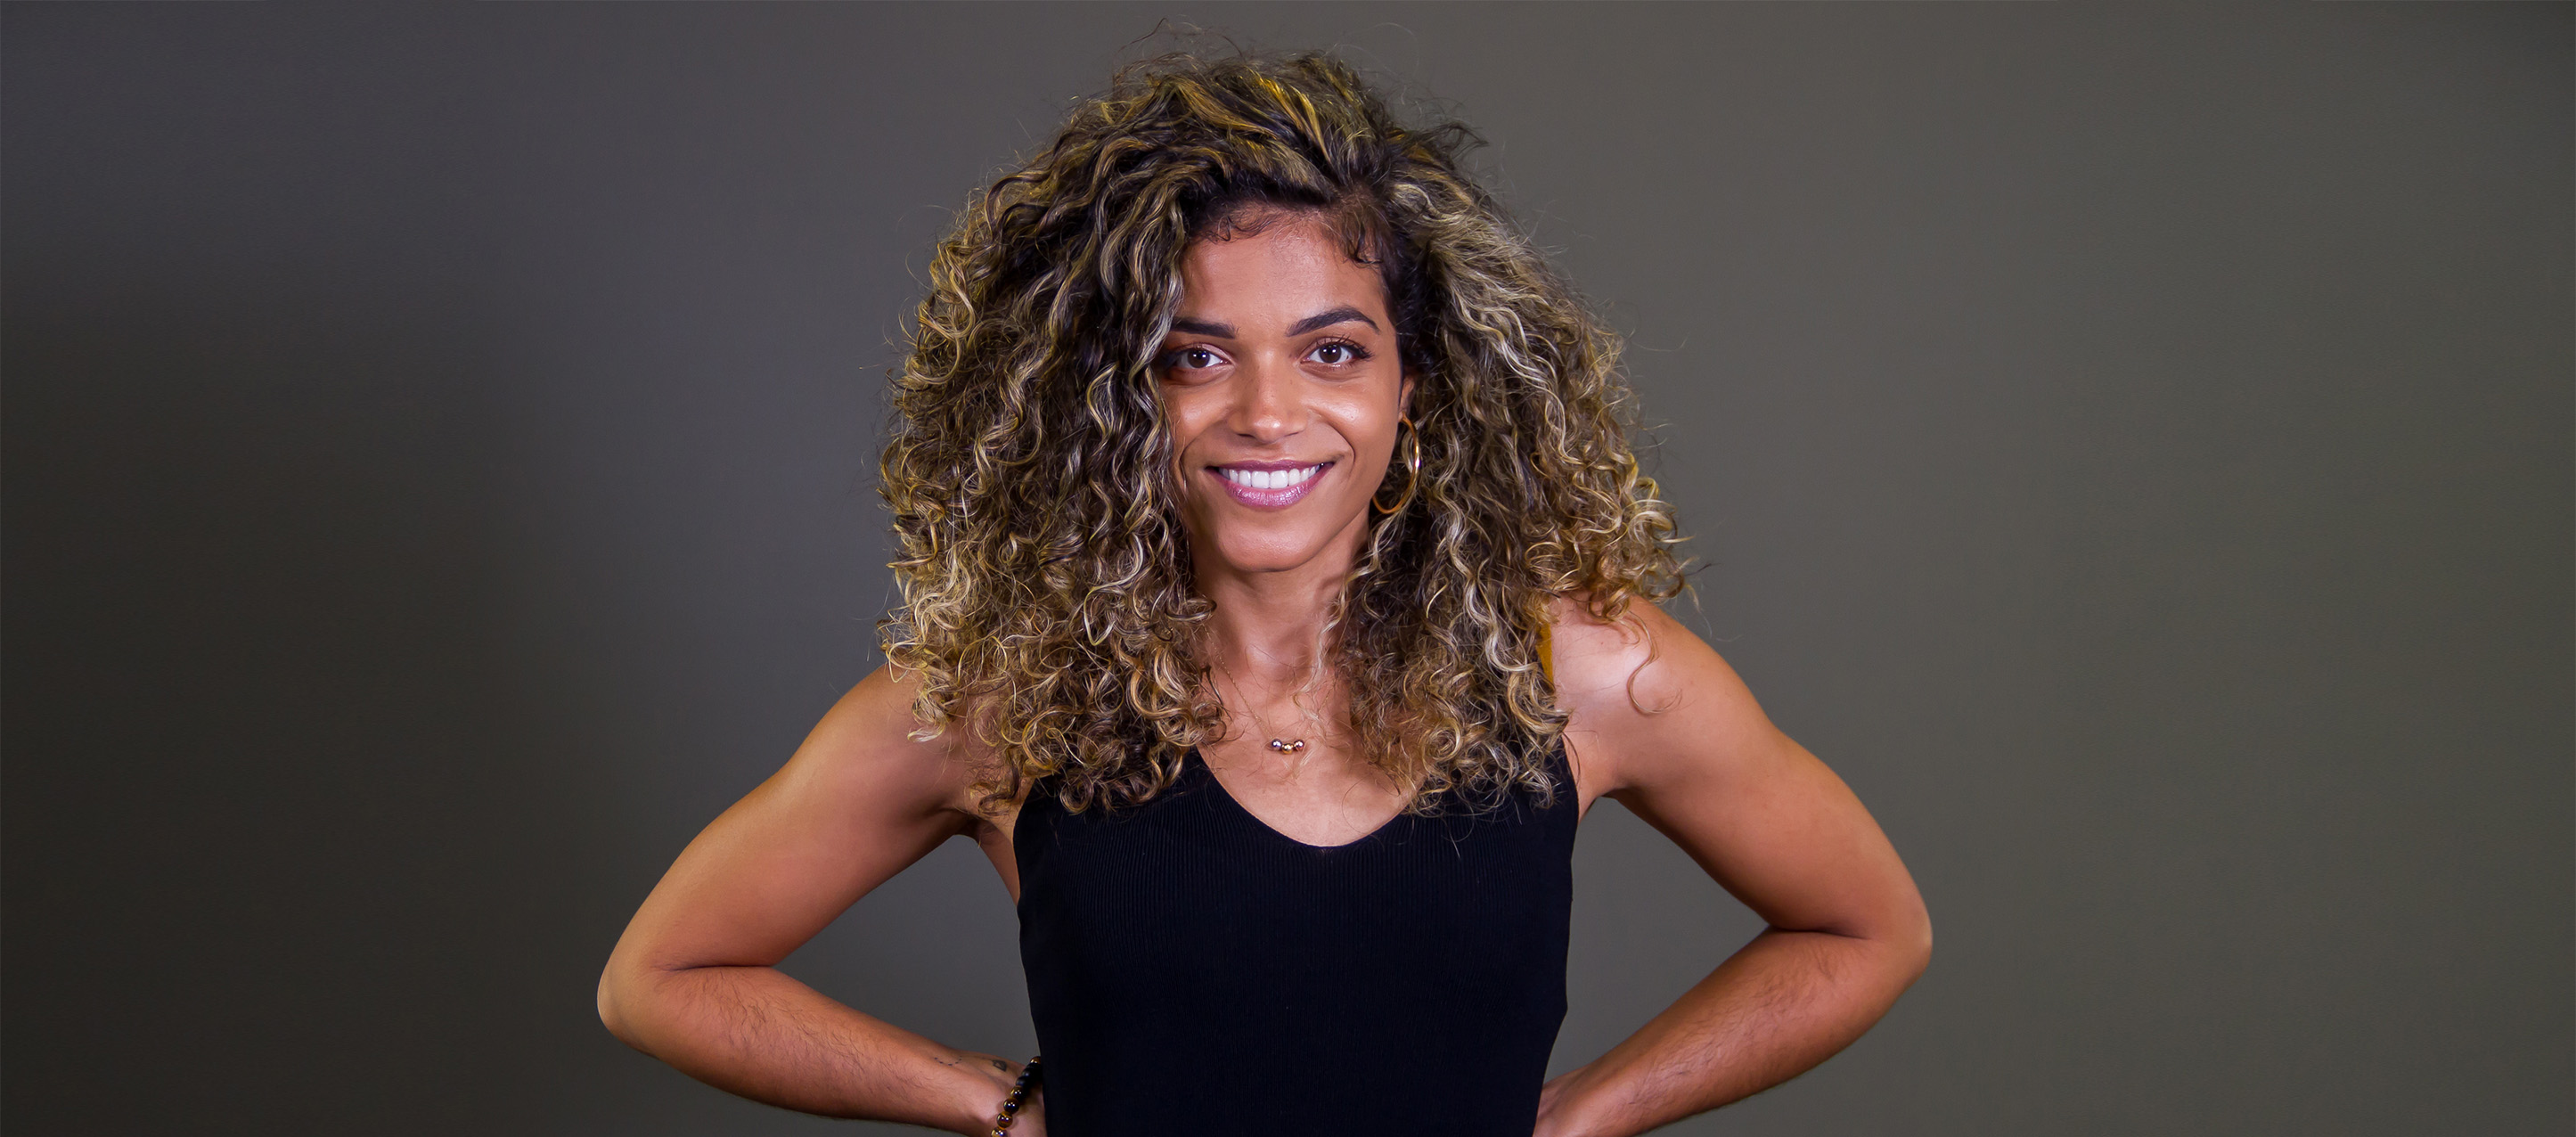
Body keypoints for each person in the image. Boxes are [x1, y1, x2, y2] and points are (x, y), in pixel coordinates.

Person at [598, 49, 1930, 1137]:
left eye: (1332, 350)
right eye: (1196, 356)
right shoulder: (1009, 701)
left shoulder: (1582, 673)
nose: (1269, 413)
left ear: (1414, 386)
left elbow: (1867, 928)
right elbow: (659, 977)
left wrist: (1584, 1116)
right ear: (1117, 398)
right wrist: (988, 1101)